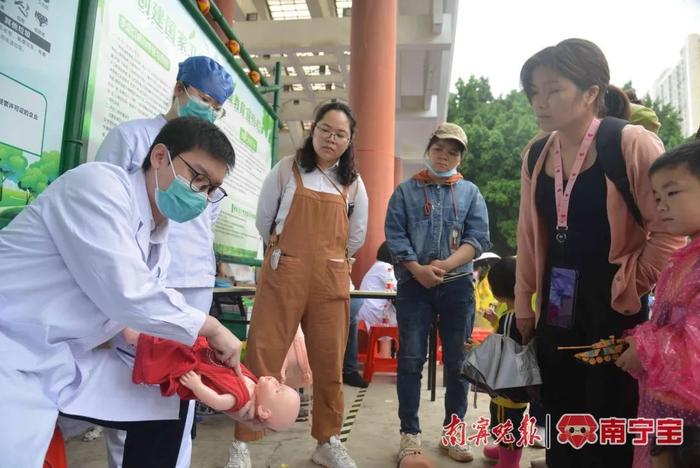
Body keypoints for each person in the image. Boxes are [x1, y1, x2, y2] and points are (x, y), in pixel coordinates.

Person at [0, 117, 253, 468]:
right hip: (12, 347)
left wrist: (228, 386)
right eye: (197, 178)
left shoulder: (157, 237)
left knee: (169, 398)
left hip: (60, 356)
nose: (202, 196)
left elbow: (133, 324)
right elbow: (128, 294)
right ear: (160, 157)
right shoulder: (98, 187)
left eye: (211, 189)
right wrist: (211, 328)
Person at [515, 38, 686, 467]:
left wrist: (628, 287)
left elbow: (669, 232)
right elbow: (528, 236)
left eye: (553, 89)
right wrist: (522, 303)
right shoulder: (537, 153)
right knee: (561, 414)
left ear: (591, 92)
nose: (540, 101)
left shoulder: (629, 143)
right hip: (556, 303)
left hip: (615, 309)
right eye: (534, 91)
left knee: (611, 414)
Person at [94, 55, 235, 468]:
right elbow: (109, 211)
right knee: (135, 383)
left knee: (184, 389)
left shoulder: (210, 162)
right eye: (203, 97)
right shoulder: (133, 136)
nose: (208, 108)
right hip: (139, 282)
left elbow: (207, 220)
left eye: (216, 104)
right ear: (179, 88)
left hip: (192, 281)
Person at [230, 102, 368, 468]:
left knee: (329, 364)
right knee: (262, 358)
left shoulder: (353, 183)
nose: (331, 138)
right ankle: (242, 442)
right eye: (325, 129)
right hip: (284, 275)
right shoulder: (286, 170)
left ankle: (327, 440)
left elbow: (355, 238)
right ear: (313, 130)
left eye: (340, 134)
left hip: (330, 280)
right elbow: (265, 222)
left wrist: (327, 259)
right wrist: (290, 256)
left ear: (350, 140)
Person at [385, 122, 491, 465]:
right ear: (429, 150)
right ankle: (410, 436)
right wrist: (418, 269)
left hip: (457, 285)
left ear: (460, 156)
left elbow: (477, 239)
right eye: (439, 149)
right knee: (411, 359)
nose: (445, 156)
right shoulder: (405, 191)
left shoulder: (470, 192)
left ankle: (454, 433)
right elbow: (395, 236)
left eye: (453, 151)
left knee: (459, 363)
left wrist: (443, 267)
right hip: (414, 286)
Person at [616, 140, 700, 468]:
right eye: (657, 196)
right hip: (665, 411)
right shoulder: (684, 256)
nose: (662, 205)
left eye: (673, 193)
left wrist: (646, 349)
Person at [123, 328, 300, 432]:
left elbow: (216, 401)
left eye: (277, 390)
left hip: (194, 367)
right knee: (173, 337)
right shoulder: (253, 387)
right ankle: (138, 332)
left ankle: (134, 337)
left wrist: (197, 386)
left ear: (263, 412)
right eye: (281, 384)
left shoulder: (241, 400)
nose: (275, 381)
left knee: (168, 349)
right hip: (203, 354)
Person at [472, 257, 527, 468]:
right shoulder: (519, 315)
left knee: (508, 424)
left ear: (495, 291)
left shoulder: (509, 319)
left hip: (507, 388)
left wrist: (477, 350)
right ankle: (503, 453)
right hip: (519, 384)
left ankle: (509, 462)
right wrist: (495, 322)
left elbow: (502, 351)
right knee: (509, 420)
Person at [357, 241, 397, 328]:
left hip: (370, 313)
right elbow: (398, 287)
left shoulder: (379, 265)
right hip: (374, 313)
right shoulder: (385, 267)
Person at [343, 280, 369, 388]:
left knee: (352, 322)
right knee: (351, 322)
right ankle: (349, 370)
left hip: (347, 295)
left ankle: (350, 370)